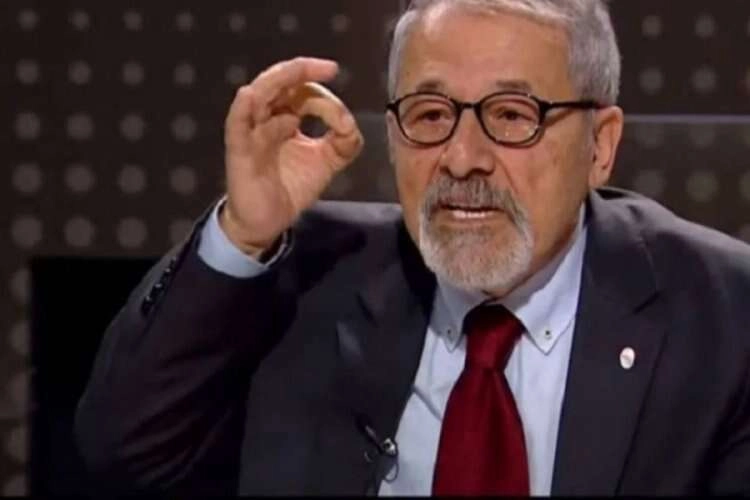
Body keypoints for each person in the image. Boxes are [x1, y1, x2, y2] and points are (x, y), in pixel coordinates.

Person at [74, 0, 750, 496]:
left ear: (600, 146)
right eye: (430, 115)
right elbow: (124, 456)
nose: (462, 157)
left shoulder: (723, 317)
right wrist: (243, 236)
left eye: (512, 116)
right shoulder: (308, 275)